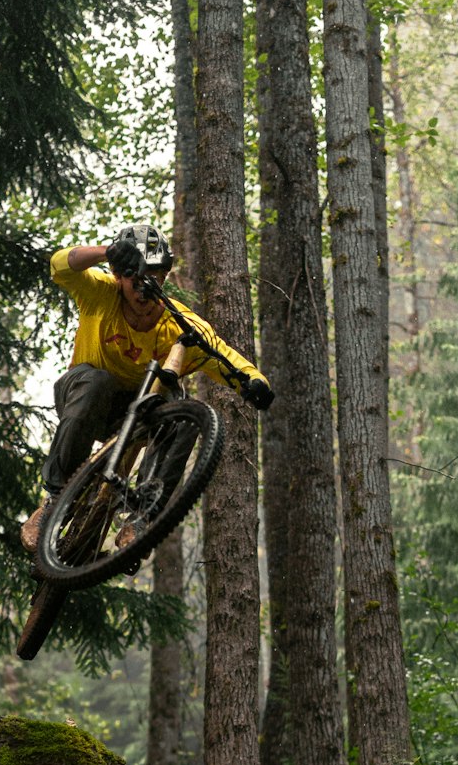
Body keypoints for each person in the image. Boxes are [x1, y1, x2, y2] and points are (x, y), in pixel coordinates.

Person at [20, 223, 274, 553]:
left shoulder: (179, 324)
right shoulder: (101, 293)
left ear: (165, 276)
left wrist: (256, 384)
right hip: (84, 399)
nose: (146, 285)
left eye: (155, 275)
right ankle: (55, 501)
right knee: (99, 381)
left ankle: (141, 518)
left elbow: (224, 357)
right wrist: (106, 251)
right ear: (117, 275)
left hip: (137, 415)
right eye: (136, 276)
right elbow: (59, 263)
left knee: (180, 406)